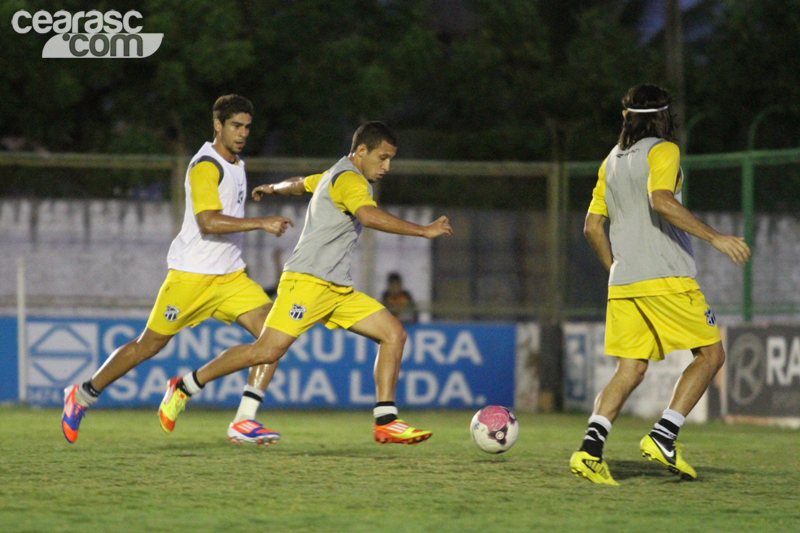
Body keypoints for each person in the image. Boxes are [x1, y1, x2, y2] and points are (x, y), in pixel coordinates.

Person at [157, 121, 453, 444]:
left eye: (390, 160)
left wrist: (273, 188)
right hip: (307, 284)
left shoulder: (335, 173)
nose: (387, 166)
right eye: (382, 158)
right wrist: (423, 231)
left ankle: (385, 420)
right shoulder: (350, 180)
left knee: (393, 333)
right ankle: (185, 386)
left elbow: (301, 184)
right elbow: (368, 216)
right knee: (266, 351)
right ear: (362, 151)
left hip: (338, 289)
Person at [61, 95, 293, 446]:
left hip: (230, 276)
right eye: (235, 126)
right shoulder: (205, 165)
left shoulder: (237, 163)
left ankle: (240, 418)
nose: (243, 133)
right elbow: (208, 222)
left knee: (274, 339)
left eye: (247, 126)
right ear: (218, 125)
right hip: (190, 276)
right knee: (147, 346)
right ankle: (82, 395)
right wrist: (261, 223)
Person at [569, 84, 751, 485]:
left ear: (625, 117)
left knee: (630, 368)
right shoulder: (664, 150)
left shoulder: (610, 161)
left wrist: (615, 266)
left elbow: (591, 226)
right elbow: (661, 200)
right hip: (666, 276)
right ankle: (664, 435)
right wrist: (716, 237)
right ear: (665, 118)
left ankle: (589, 451)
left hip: (624, 283)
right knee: (711, 355)